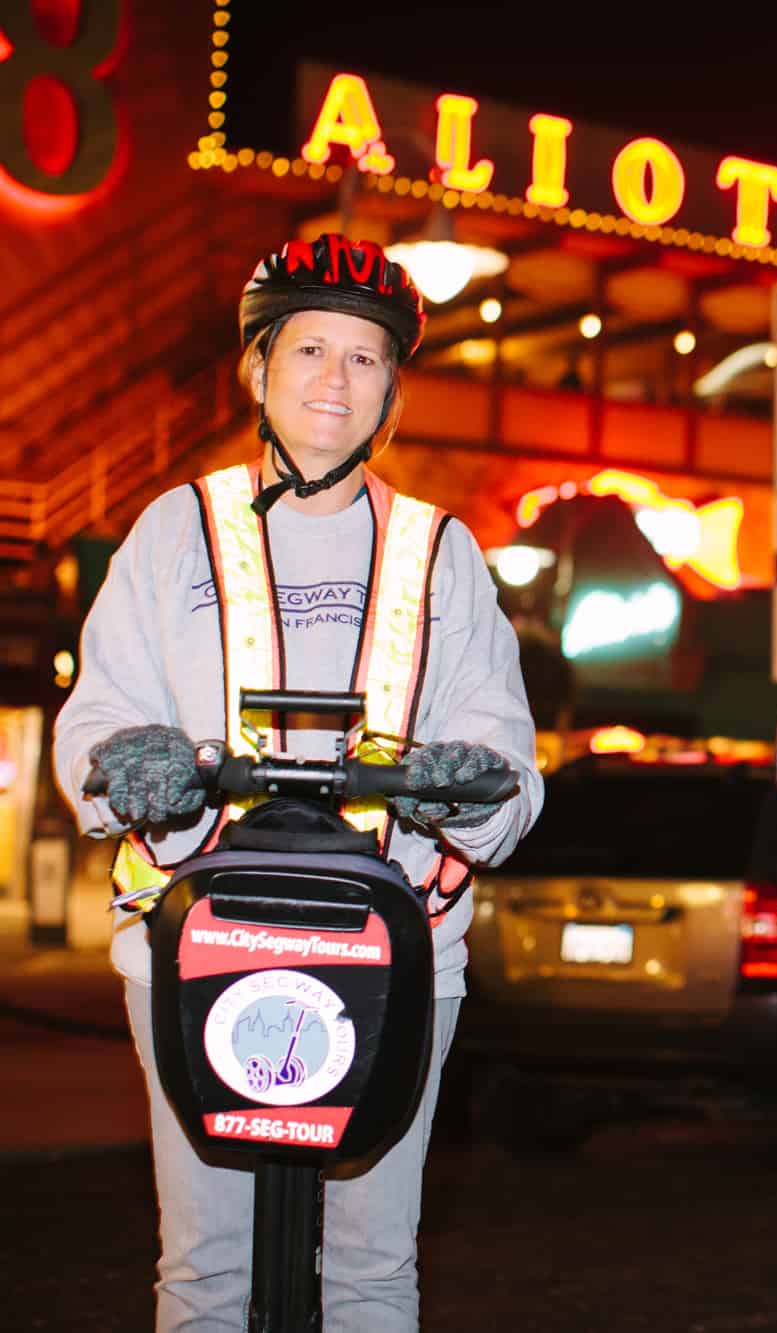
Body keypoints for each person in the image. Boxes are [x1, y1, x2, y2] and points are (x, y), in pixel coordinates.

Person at [52, 233, 544, 1331]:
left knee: (372, 1266)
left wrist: (471, 783)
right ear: (258, 369)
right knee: (207, 1268)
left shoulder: (438, 549)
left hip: (398, 944)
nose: (336, 378)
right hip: (195, 937)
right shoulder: (173, 529)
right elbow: (98, 708)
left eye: (365, 357)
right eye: (310, 347)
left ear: (393, 389)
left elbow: (502, 749)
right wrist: (123, 764)